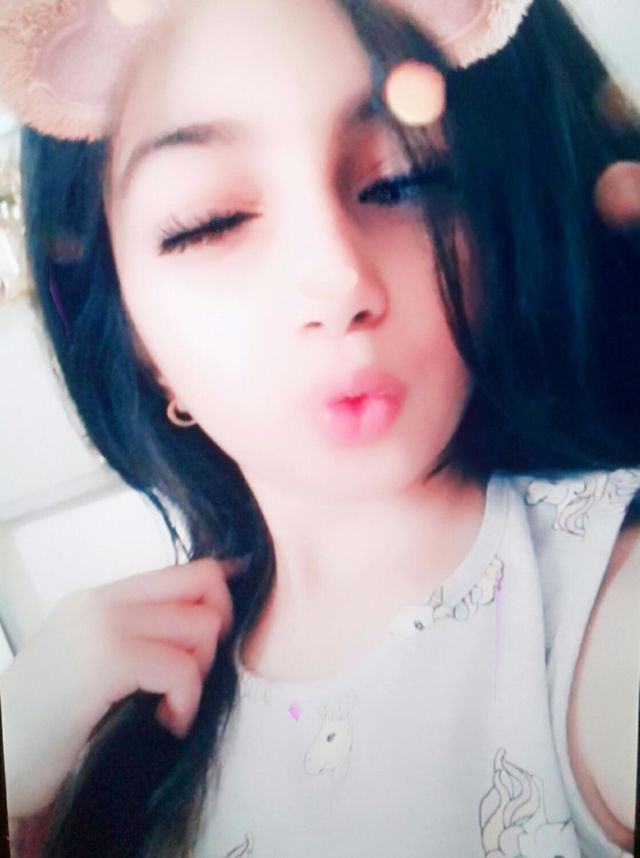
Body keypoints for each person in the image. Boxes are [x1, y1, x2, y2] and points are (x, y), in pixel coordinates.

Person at [0, 0, 639, 855]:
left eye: (403, 180)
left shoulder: (601, 608)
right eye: (211, 221)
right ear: (133, 333)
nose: (336, 280)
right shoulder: (108, 723)